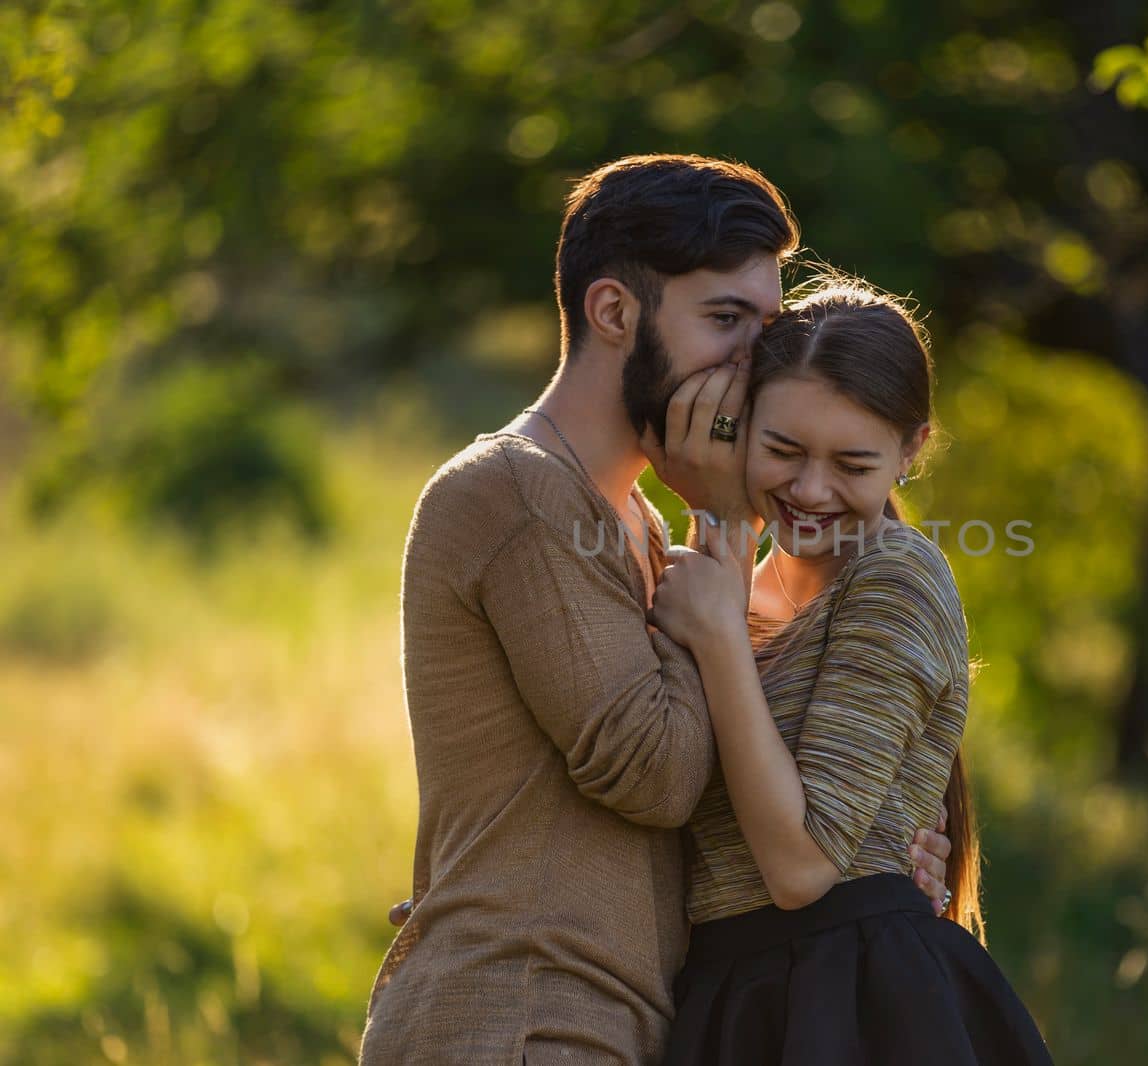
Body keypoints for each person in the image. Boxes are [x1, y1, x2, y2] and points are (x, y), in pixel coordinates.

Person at [359, 155, 955, 1065]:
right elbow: (659, 773)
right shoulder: (518, 493)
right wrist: (719, 522)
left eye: (764, 325)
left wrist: (882, 853)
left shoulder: (637, 521)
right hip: (520, 1012)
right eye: (725, 321)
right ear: (613, 312)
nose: (751, 359)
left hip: (614, 1015)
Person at [647, 283, 1054, 1065]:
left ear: (911, 449)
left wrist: (720, 639)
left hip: (857, 1004)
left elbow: (801, 868)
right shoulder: (721, 583)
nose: (809, 490)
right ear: (743, 426)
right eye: (784, 450)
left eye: (853, 463)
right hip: (730, 998)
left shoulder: (892, 578)